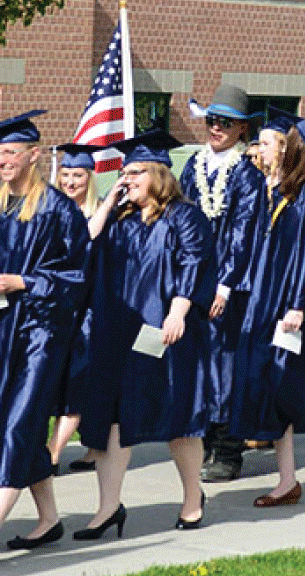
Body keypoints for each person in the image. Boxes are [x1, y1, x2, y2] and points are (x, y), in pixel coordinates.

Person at [0, 111, 89, 563]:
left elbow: (75, 278)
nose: (2, 161)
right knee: (8, 421)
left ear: (35, 155)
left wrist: (22, 282)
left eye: (11, 152)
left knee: (19, 419)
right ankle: (49, 519)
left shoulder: (59, 210)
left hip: (40, 331)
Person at [76, 131, 216, 538]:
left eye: (135, 172)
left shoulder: (184, 216)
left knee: (177, 417)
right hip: (117, 331)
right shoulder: (117, 220)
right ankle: (107, 508)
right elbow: (83, 246)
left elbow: (195, 262)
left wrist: (179, 310)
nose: (127, 178)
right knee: (111, 419)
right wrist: (106, 203)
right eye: (123, 172)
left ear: (158, 174)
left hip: (162, 329)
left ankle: (193, 498)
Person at [234, 104, 305, 505]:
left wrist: (298, 305)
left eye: (274, 144)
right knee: (272, 386)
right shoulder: (288, 190)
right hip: (272, 298)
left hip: (302, 305)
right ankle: (286, 481)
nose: (267, 150)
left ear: (295, 148)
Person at [179, 84, 267, 484]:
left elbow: (243, 233)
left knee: (225, 364)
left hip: (226, 284)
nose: (216, 128)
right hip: (194, 277)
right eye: (212, 120)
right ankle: (203, 441)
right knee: (198, 361)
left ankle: (228, 450)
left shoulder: (246, 175)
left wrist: (225, 285)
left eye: (225, 122)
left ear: (241, 130)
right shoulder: (192, 167)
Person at [46, 142, 104, 475]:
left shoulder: (101, 214)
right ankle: (95, 447)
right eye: (65, 174)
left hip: (90, 310)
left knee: (78, 381)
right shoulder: (51, 211)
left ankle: (53, 452)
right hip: (57, 309)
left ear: (90, 178)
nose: (70, 181)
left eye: (78, 175)